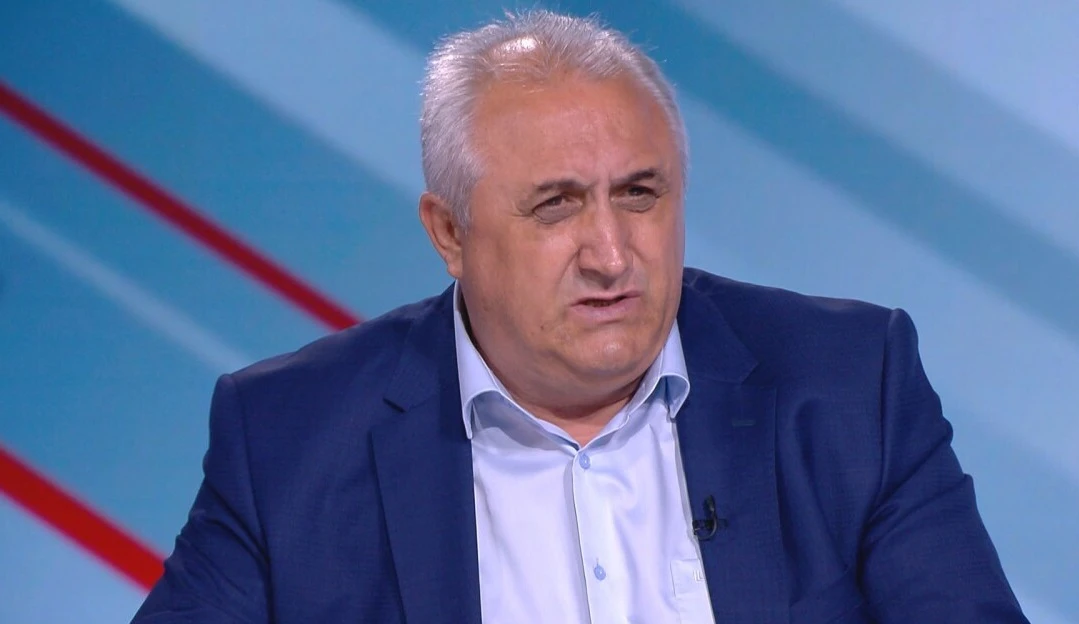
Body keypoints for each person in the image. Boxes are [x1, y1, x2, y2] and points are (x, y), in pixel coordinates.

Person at [133, 10, 1028, 624]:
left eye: (639, 194)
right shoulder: (288, 439)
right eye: (556, 206)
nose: (610, 252)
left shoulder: (851, 386)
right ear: (450, 233)